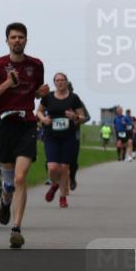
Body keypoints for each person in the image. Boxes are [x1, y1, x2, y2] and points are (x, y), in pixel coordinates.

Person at [0, 22, 47, 249]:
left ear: (26, 40)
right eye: (13, 37)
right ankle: (6, 200)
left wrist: (40, 92)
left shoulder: (36, 65)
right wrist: (8, 83)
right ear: (7, 41)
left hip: (27, 124)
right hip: (4, 124)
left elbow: (35, 91)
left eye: (21, 37)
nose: (17, 40)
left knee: (21, 178)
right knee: (9, 181)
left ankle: (16, 229)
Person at [37, 73, 86, 208]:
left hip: (68, 137)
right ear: (54, 83)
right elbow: (39, 111)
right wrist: (43, 119)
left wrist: (75, 116)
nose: (60, 82)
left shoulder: (74, 98)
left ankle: (63, 197)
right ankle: (54, 185)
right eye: (57, 80)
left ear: (66, 82)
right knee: (52, 167)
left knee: (64, 167)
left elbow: (82, 117)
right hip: (51, 136)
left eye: (62, 80)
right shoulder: (48, 97)